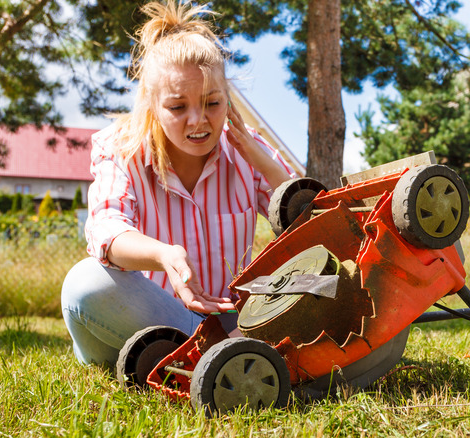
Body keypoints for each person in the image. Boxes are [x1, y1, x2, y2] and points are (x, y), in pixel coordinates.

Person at [60, 0, 295, 367]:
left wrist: (255, 153)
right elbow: (106, 231)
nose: (198, 120)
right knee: (85, 283)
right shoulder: (119, 148)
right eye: (177, 107)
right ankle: (213, 356)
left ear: (228, 100)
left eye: (212, 102)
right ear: (152, 105)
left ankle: (203, 357)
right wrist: (164, 254)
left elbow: (311, 222)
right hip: (150, 319)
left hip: (233, 323)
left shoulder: (247, 151)